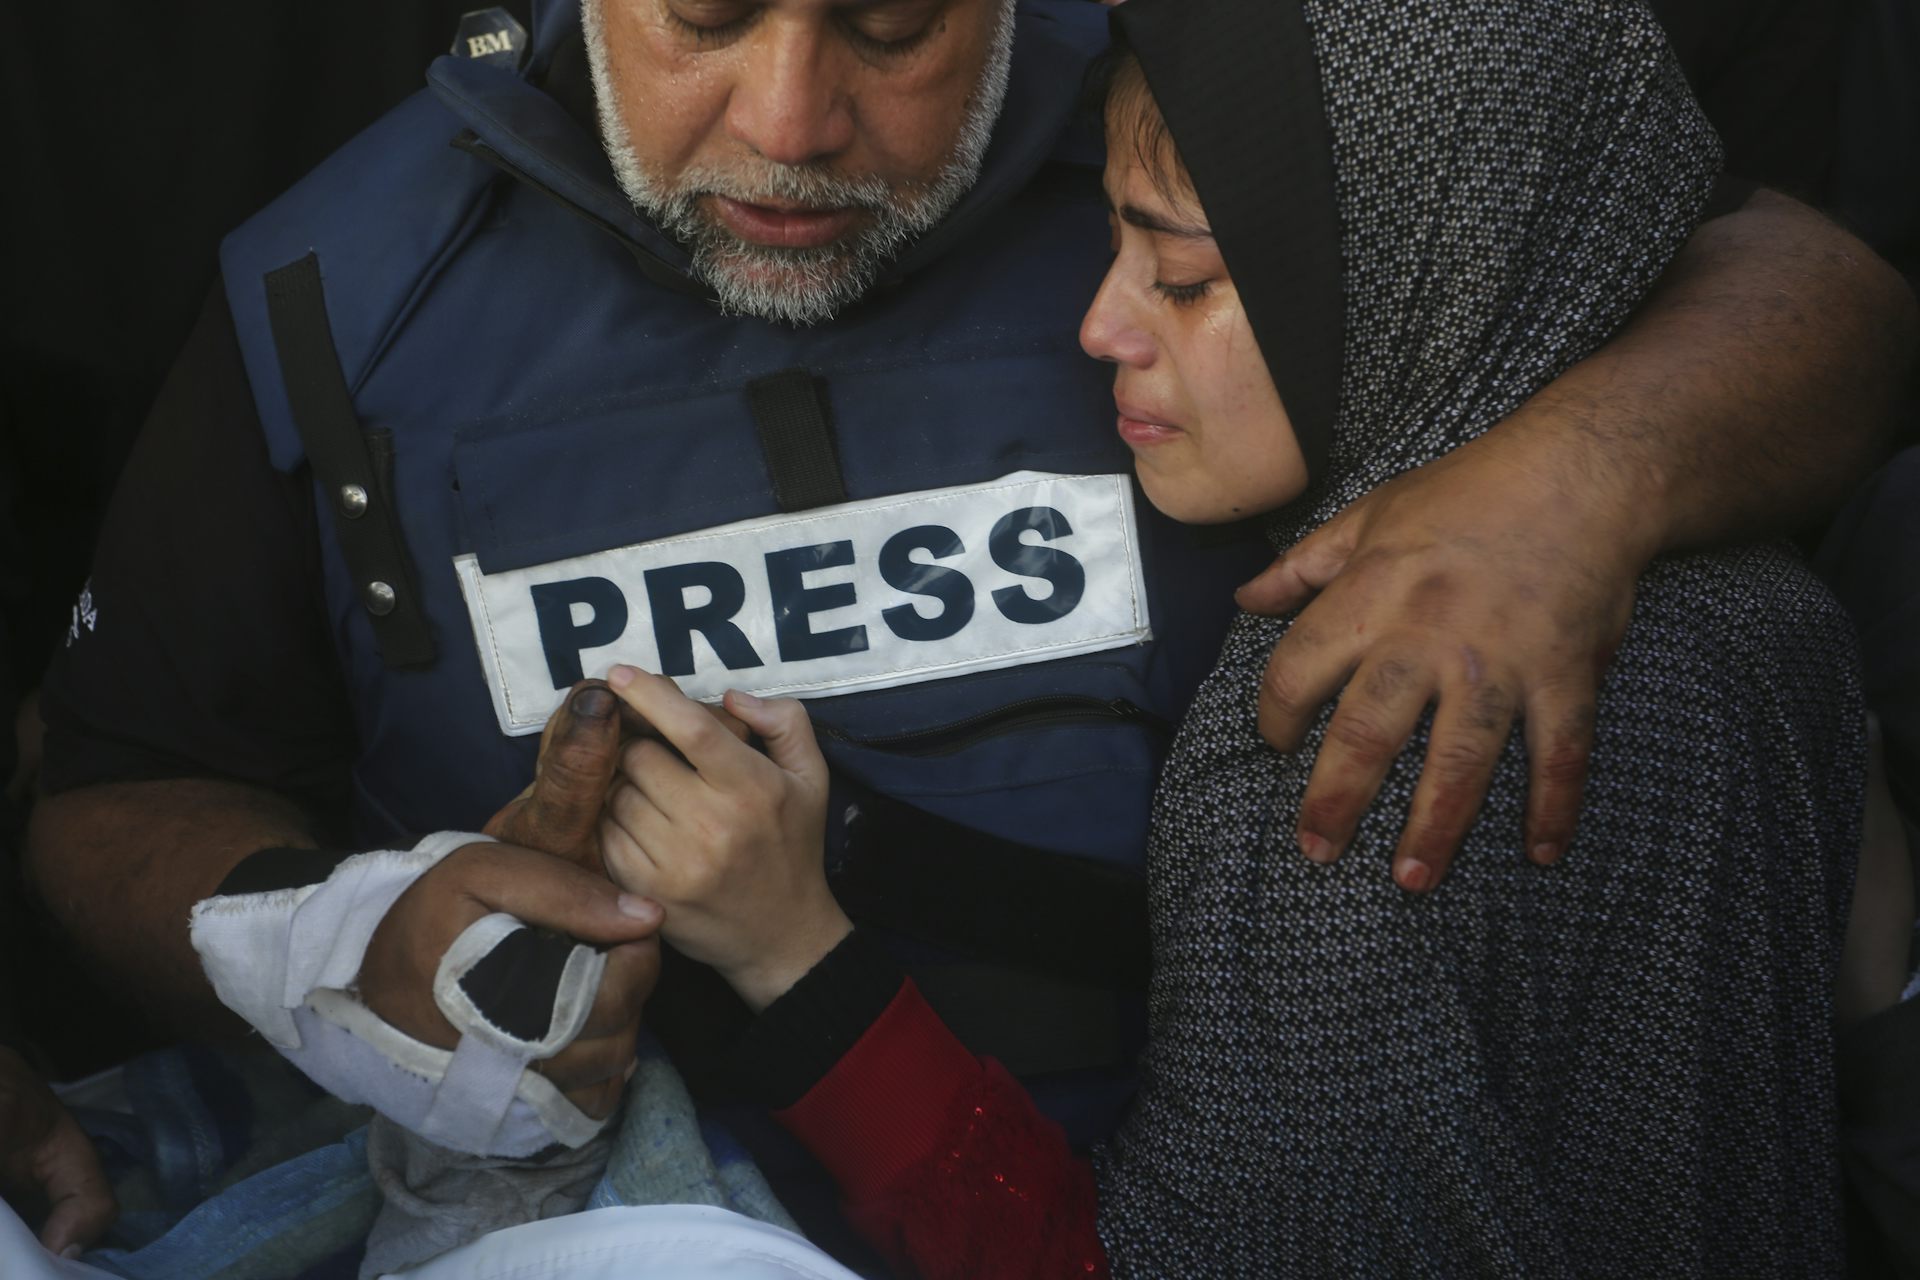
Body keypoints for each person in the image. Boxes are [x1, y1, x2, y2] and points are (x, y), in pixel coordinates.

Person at [24, 0, 1914, 1262]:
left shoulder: (1220, 107)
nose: (788, 115)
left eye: (893, 18)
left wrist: (1576, 483)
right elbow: (111, 790)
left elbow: (1744, 260)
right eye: (700, 13)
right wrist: (353, 943)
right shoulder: (333, 296)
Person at [580, 0, 1880, 1275]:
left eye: (1185, 276)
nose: (1102, 326)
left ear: (1413, 258)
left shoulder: (1368, 733)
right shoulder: (1765, 611)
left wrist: (790, 954)